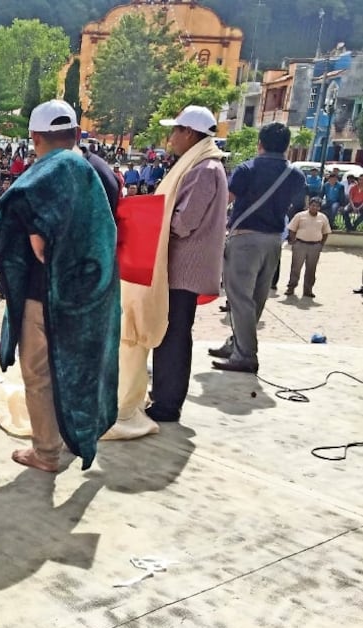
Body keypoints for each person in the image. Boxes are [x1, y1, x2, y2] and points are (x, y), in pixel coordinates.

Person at [0, 100, 119, 472]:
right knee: (81, 368)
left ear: (34, 138)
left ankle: (46, 451)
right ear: (77, 134)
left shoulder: (43, 176)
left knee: (39, 374)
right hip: (89, 298)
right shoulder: (103, 174)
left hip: (41, 295)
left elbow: (17, 217)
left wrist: (34, 229)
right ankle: (74, 432)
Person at [139, 106, 228, 425]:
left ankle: (167, 403)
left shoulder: (204, 169)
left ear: (189, 133)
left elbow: (184, 221)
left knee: (173, 334)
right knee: (172, 332)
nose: (171, 137)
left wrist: (151, 222)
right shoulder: (203, 165)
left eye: (175, 130)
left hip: (183, 269)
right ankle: (165, 397)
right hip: (180, 267)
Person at [210, 123, 305, 374]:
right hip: (274, 240)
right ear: (287, 146)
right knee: (256, 298)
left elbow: (225, 200)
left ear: (259, 143)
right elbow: (294, 203)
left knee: (239, 298)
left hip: (245, 239)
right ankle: (237, 344)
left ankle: (245, 355)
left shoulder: (247, 169)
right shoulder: (295, 175)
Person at [285, 197, 331, 298]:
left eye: (317, 206)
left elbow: (326, 232)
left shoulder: (323, 218)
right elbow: (292, 229)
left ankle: (308, 290)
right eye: (312, 205)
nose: (314, 207)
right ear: (309, 205)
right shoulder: (300, 216)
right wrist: (294, 241)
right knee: (296, 268)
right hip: (300, 244)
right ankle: (291, 287)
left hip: (315, 246)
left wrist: (321, 244)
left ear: (319, 207)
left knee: (311, 269)